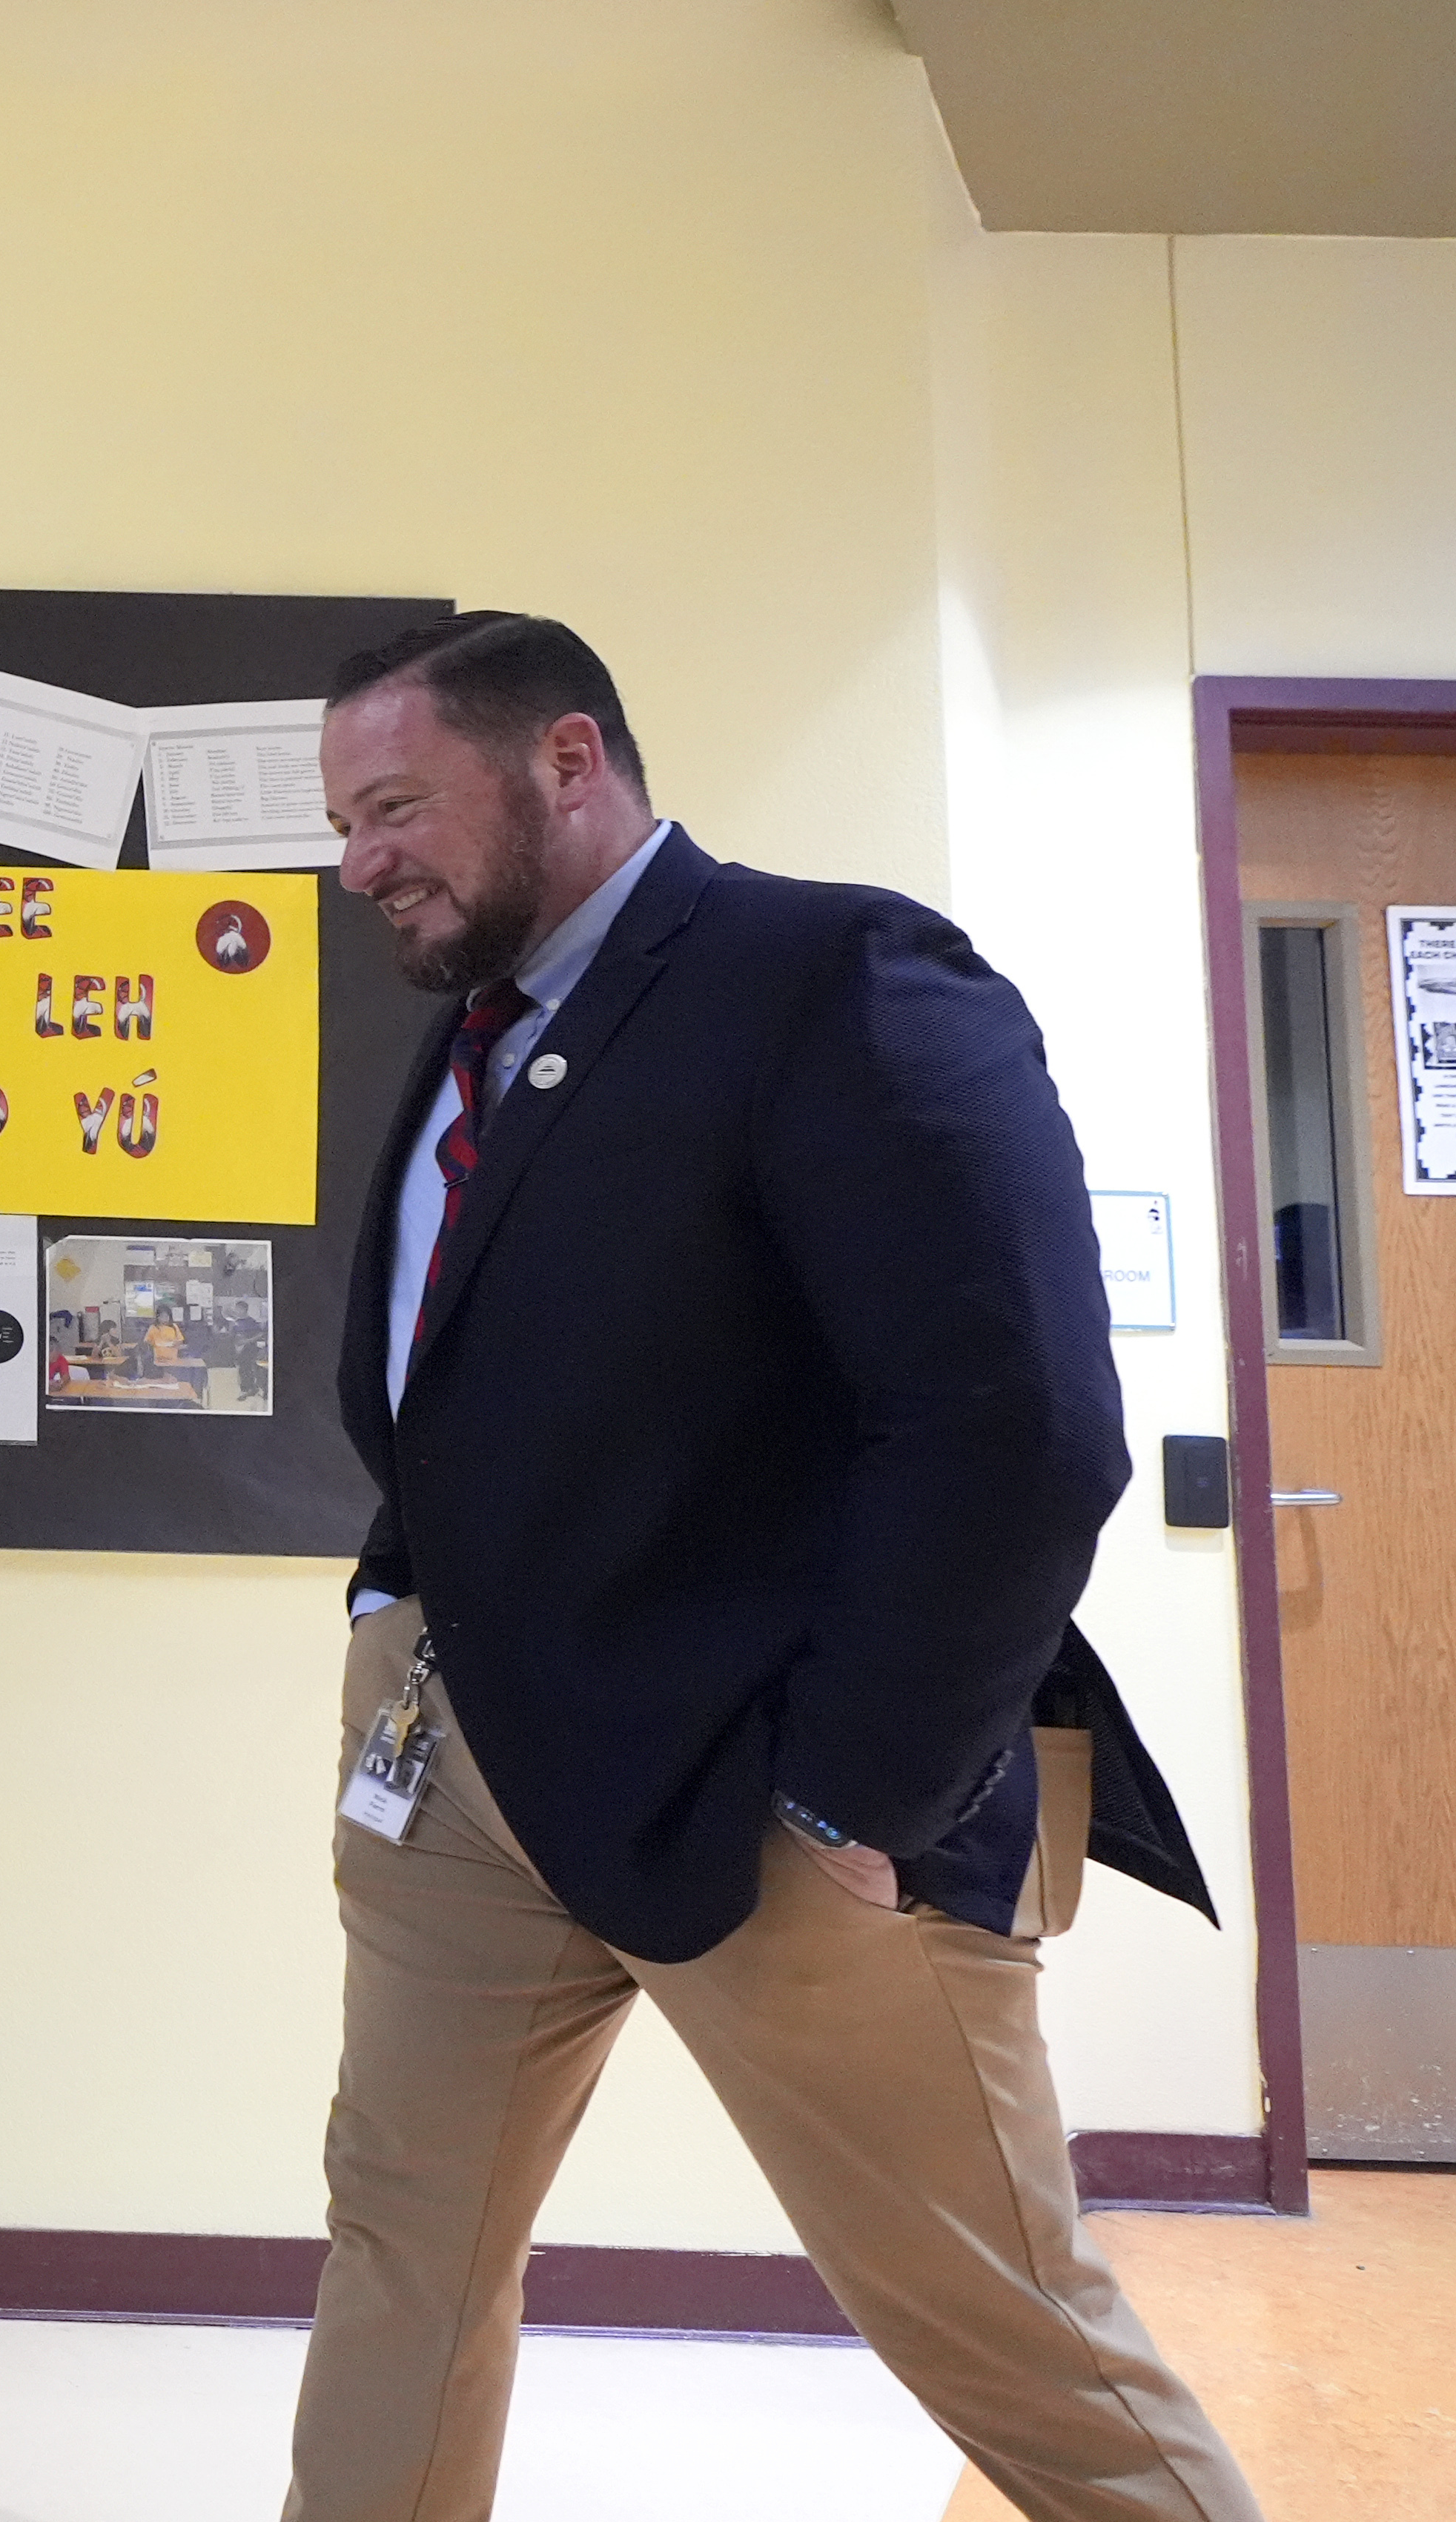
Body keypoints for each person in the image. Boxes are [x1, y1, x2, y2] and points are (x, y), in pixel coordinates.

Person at [297, 613, 1255, 2522]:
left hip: (790, 1804)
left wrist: (855, 1789)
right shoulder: (478, 1037)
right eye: (343, 823)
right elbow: (454, 1379)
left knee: (995, 2324)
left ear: (568, 761)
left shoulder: (833, 976)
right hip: (470, 1768)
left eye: (392, 806)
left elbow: (1015, 1423)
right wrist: (392, 1605)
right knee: (403, 2250)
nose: (358, 864)